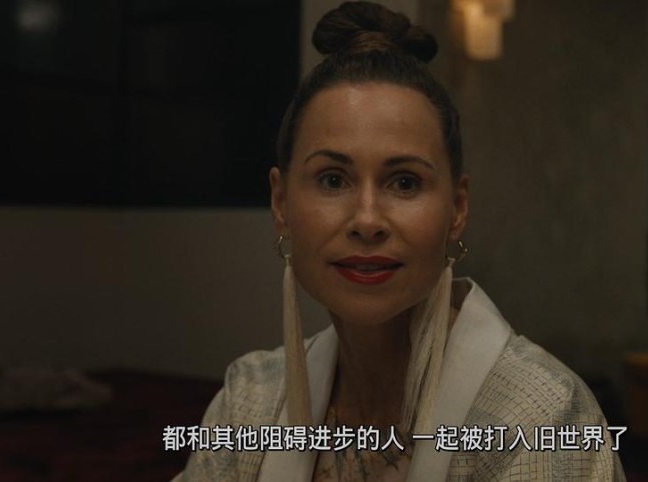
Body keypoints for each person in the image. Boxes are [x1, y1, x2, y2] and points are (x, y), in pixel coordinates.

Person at [174, 2, 624, 480]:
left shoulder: (542, 417)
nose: (367, 220)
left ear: (457, 209)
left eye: (405, 182)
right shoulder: (249, 402)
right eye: (332, 180)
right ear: (281, 203)